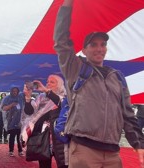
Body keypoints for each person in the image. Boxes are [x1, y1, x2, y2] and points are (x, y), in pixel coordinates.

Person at [54, 0, 144, 167]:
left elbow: (128, 115)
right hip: (84, 151)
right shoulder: (76, 69)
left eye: (103, 45)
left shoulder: (117, 77)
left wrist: (139, 144)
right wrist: (67, 6)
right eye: (93, 45)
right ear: (85, 50)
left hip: (112, 154)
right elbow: (61, 42)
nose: (99, 48)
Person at [21, 76, 68, 168]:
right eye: (47, 81)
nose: (48, 83)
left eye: (52, 82)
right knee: (44, 165)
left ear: (60, 85)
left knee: (63, 164)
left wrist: (46, 90)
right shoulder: (41, 97)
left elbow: (60, 103)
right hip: (43, 136)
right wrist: (28, 97)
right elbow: (29, 112)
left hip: (59, 137)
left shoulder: (64, 98)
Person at [2, 87, 24, 157]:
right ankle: (11, 150)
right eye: (13, 91)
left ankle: (20, 150)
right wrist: (11, 105)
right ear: (11, 91)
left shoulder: (20, 97)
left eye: (16, 91)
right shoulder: (7, 98)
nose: (15, 92)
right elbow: (3, 108)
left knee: (20, 137)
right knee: (12, 136)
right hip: (11, 120)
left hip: (20, 120)